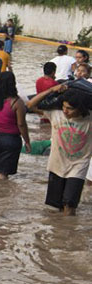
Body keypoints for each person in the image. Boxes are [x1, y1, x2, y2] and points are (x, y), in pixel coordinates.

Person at [27, 85, 92, 216]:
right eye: (63, 106)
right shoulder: (56, 114)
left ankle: (68, 232)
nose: (65, 111)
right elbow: (30, 105)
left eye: (69, 108)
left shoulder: (89, 119)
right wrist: (51, 90)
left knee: (69, 205)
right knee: (54, 208)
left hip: (78, 166)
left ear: (80, 108)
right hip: (57, 165)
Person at [0, 72, 31, 179]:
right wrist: (27, 141)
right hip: (9, 139)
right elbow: (21, 124)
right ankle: (2, 195)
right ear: (12, 84)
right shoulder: (17, 102)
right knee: (2, 173)